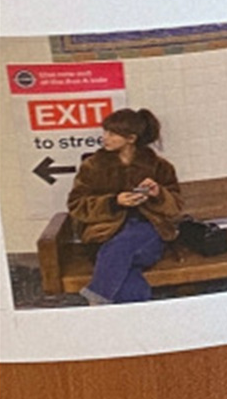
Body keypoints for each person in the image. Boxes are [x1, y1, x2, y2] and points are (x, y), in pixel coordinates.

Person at [67, 107, 185, 305]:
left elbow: (176, 207)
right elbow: (76, 204)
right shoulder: (93, 166)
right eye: (105, 132)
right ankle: (135, 315)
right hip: (105, 234)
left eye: (112, 134)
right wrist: (114, 202)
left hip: (148, 234)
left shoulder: (159, 166)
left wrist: (158, 194)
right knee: (125, 270)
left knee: (120, 249)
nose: (105, 138)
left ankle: (97, 299)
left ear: (131, 138)